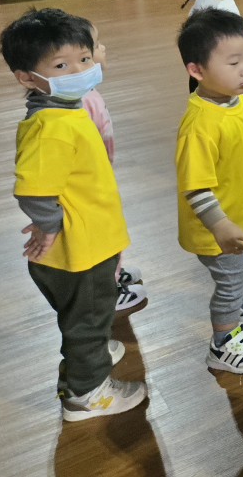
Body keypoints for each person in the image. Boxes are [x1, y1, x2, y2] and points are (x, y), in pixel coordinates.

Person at [0, 7, 148, 420]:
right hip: (82, 251)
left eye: (84, 58)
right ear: (27, 77)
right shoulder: (52, 125)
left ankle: (89, 355)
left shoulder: (64, 110)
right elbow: (32, 189)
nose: (81, 70)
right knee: (88, 319)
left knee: (85, 317)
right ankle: (87, 394)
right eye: (62, 65)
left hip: (88, 240)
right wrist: (48, 225)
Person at [176, 9, 243, 374]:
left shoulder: (237, 101)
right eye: (234, 63)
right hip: (215, 225)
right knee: (230, 281)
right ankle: (223, 342)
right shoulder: (200, 125)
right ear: (197, 70)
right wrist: (219, 225)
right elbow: (196, 187)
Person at [78, 19, 148, 314]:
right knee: (106, 234)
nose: (103, 49)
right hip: (93, 183)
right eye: (96, 46)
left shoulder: (87, 93)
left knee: (110, 230)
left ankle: (114, 274)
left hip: (100, 177)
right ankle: (110, 289)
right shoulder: (83, 101)